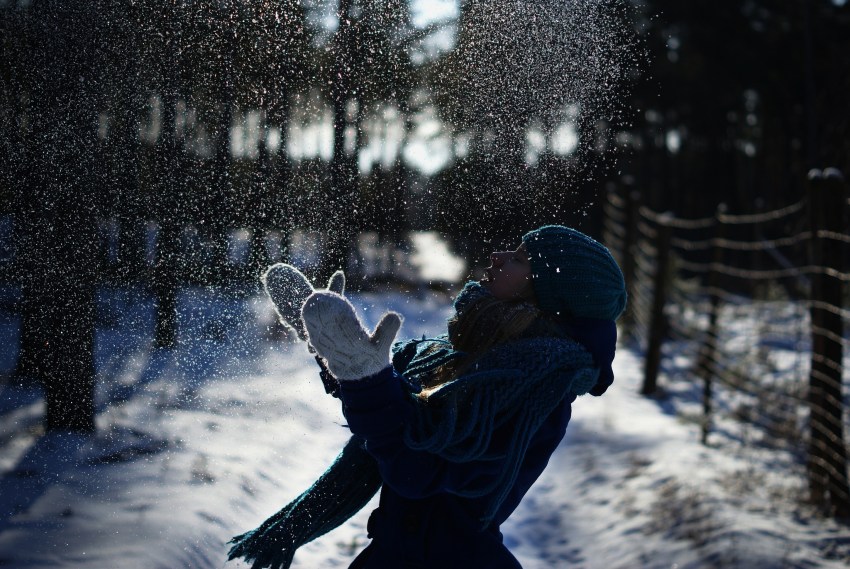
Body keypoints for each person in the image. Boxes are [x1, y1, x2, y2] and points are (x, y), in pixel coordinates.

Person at [228, 225, 627, 569]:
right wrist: (334, 352)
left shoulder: (534, 388)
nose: (499, 256)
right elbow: (401, 400)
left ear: (548, 292)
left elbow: (417, 467)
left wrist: (364, 376)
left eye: (521, 259)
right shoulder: (479, 353)